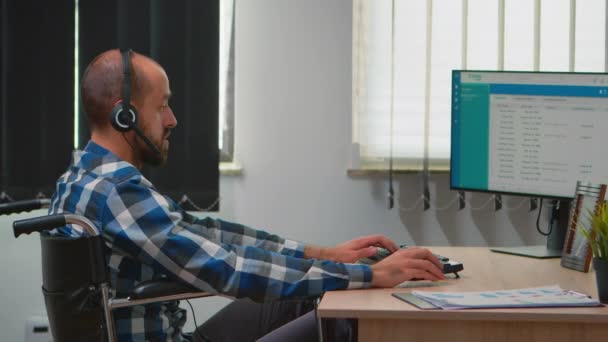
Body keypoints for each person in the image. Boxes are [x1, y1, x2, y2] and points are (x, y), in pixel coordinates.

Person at [49, 49, 445, 342]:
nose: (172, 121)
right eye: (163, 106)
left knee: (303, 298)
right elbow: (228, 270)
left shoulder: (82, 177)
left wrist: (323, 254)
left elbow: (206, 234)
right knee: (342, 322)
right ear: (125, 115)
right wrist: (370, 274)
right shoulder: (118, 192)